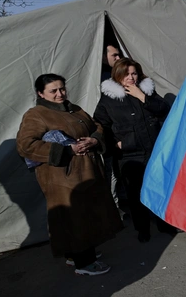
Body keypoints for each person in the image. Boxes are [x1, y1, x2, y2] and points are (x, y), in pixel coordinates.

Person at [16, 74, 122, 275]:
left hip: (87, 171)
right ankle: (84, 263)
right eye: (53, 91)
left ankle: (76, 255)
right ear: (40, 93)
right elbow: (25, 145)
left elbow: (96, 126)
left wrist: (94, 140)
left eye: (62, 88)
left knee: (87, 214)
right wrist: (66, 150)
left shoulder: (74, 109)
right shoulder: (36, 114)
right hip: (61, 177)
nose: (60, 94)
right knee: (74, 217)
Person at [94, 58, 176, 242]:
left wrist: (143, 97)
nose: (131, 77)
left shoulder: (146, 90)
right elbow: (100, 125)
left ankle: (164, 223)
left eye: (134, 73)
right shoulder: (109, 99)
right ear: (117, 75)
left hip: (154, 150)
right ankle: (143, 228)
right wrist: (115, 144)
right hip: (131, 154)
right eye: (126, 74)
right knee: (136, 194)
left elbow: (164, 110)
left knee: (159, 189)